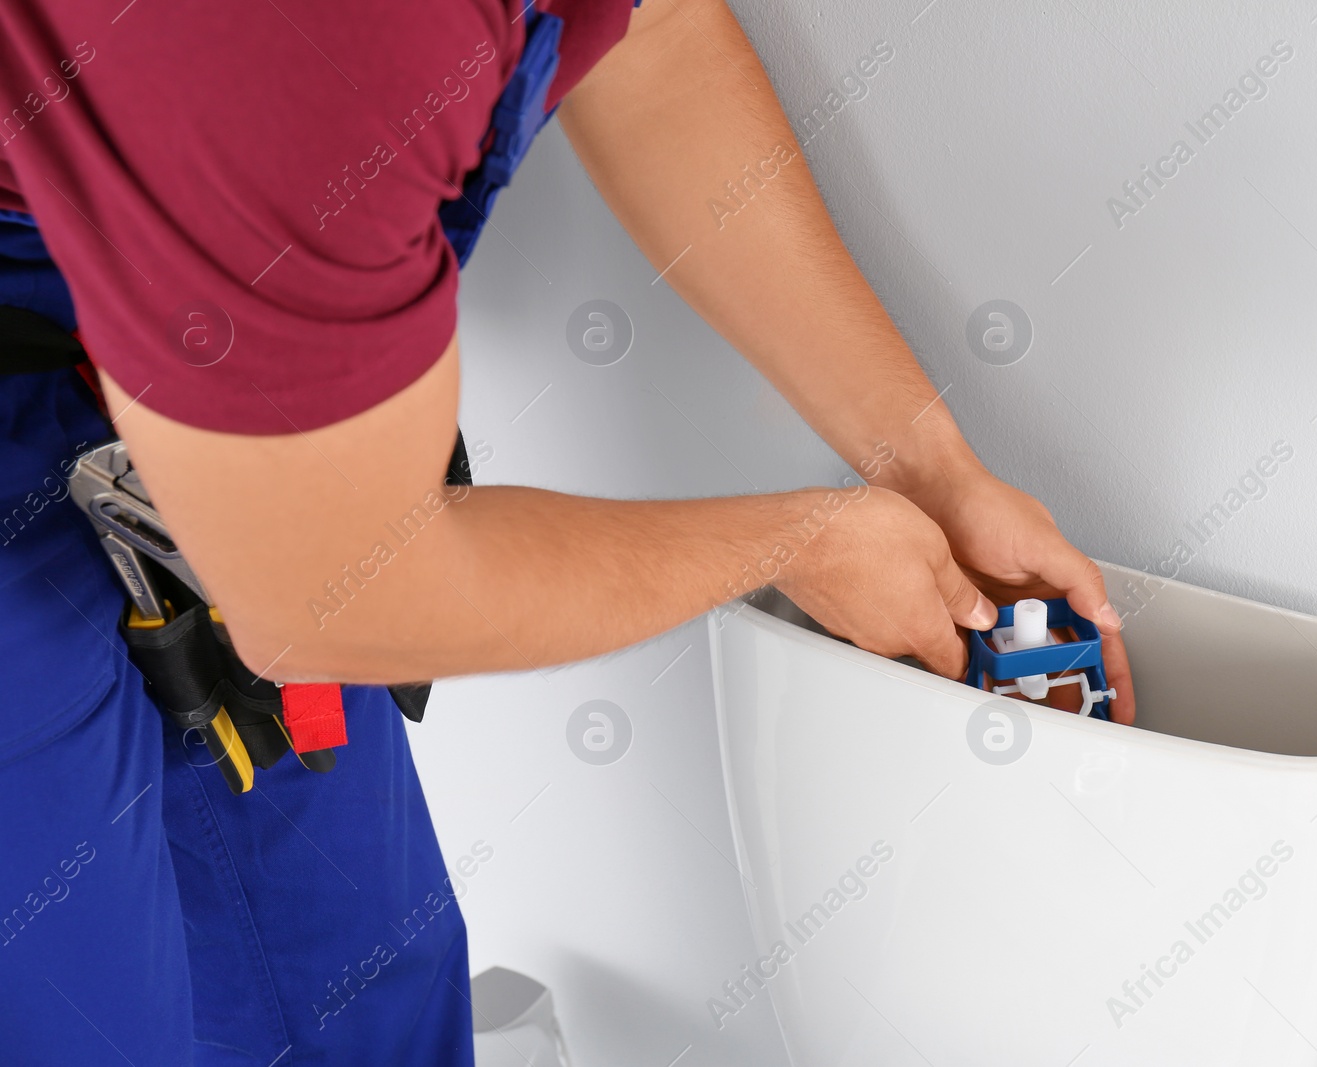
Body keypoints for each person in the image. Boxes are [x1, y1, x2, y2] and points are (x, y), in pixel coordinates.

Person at [0, 0, 1134, 1062]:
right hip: (100, 358)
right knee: (86, 1019)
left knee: (359, 988)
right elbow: (341, 601)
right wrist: (799, 543)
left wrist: (929, 462)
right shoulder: (315, 44)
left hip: (180, 322)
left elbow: (655, 47)